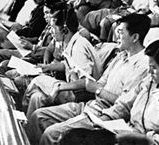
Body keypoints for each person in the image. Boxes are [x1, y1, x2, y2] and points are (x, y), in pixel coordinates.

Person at [26, 13, 152, 144]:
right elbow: (101, 82)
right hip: (92, 105)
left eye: (120, 32)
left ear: (135, 37)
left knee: (51, 134)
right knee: (38, 116)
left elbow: (125, 105)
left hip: (104, 114)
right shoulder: (121, 57)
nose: (116, 36)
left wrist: (98, 90)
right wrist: (94, 87)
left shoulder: (142, 67)